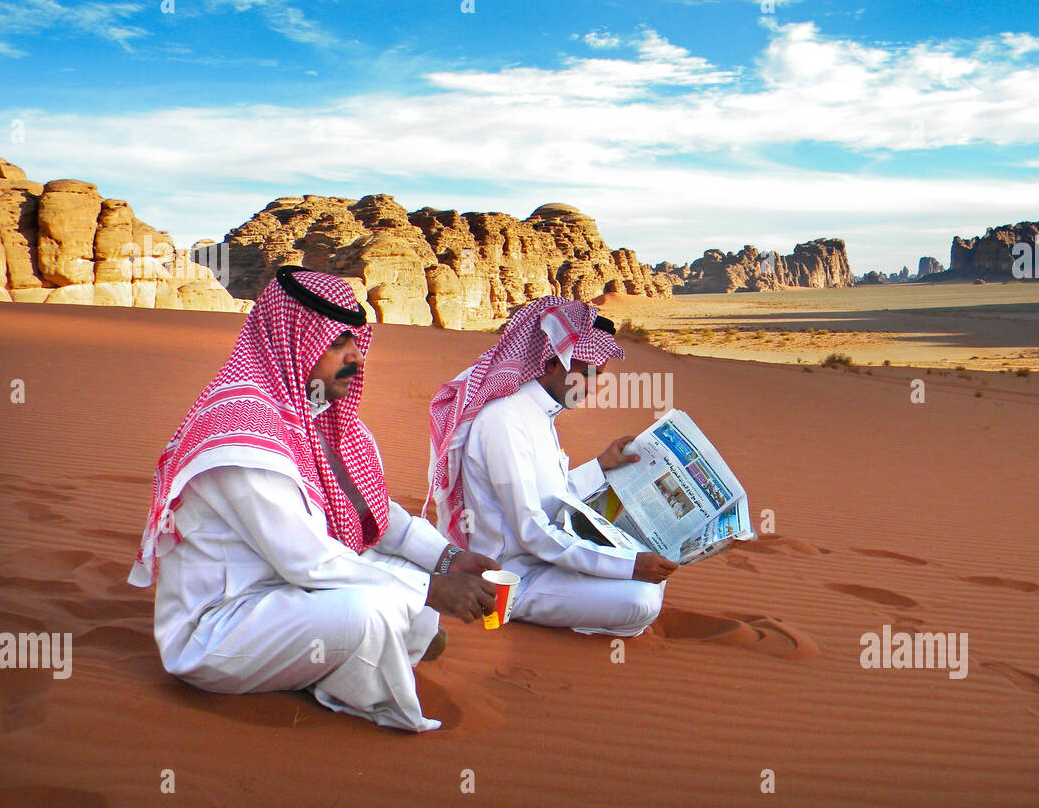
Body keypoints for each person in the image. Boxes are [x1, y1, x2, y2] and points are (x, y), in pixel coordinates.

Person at [129, 266, 498, 732]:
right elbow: (308, 560)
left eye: (357, 343)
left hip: (283, 593)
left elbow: (374, 515)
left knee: (405, 585)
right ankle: (339, 676)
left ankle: (318, 659)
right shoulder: (242, 432)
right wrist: (433, 590)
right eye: (339, 344)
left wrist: (446, 560)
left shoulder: (315, 418)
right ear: (294, 343)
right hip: (220, 625)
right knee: (370, 610)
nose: (357, 359)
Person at [426, 296, 677, 637]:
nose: (591, 388)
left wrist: (601, 467)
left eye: (597, 377)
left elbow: (549, 497)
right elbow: (533, 531)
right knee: (642, 599)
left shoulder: (540, 414)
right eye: (585, 374)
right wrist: (630, 565)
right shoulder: (505, 420)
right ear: (550, 363)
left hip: (546, 560)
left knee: (647, 577)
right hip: (513, 576)